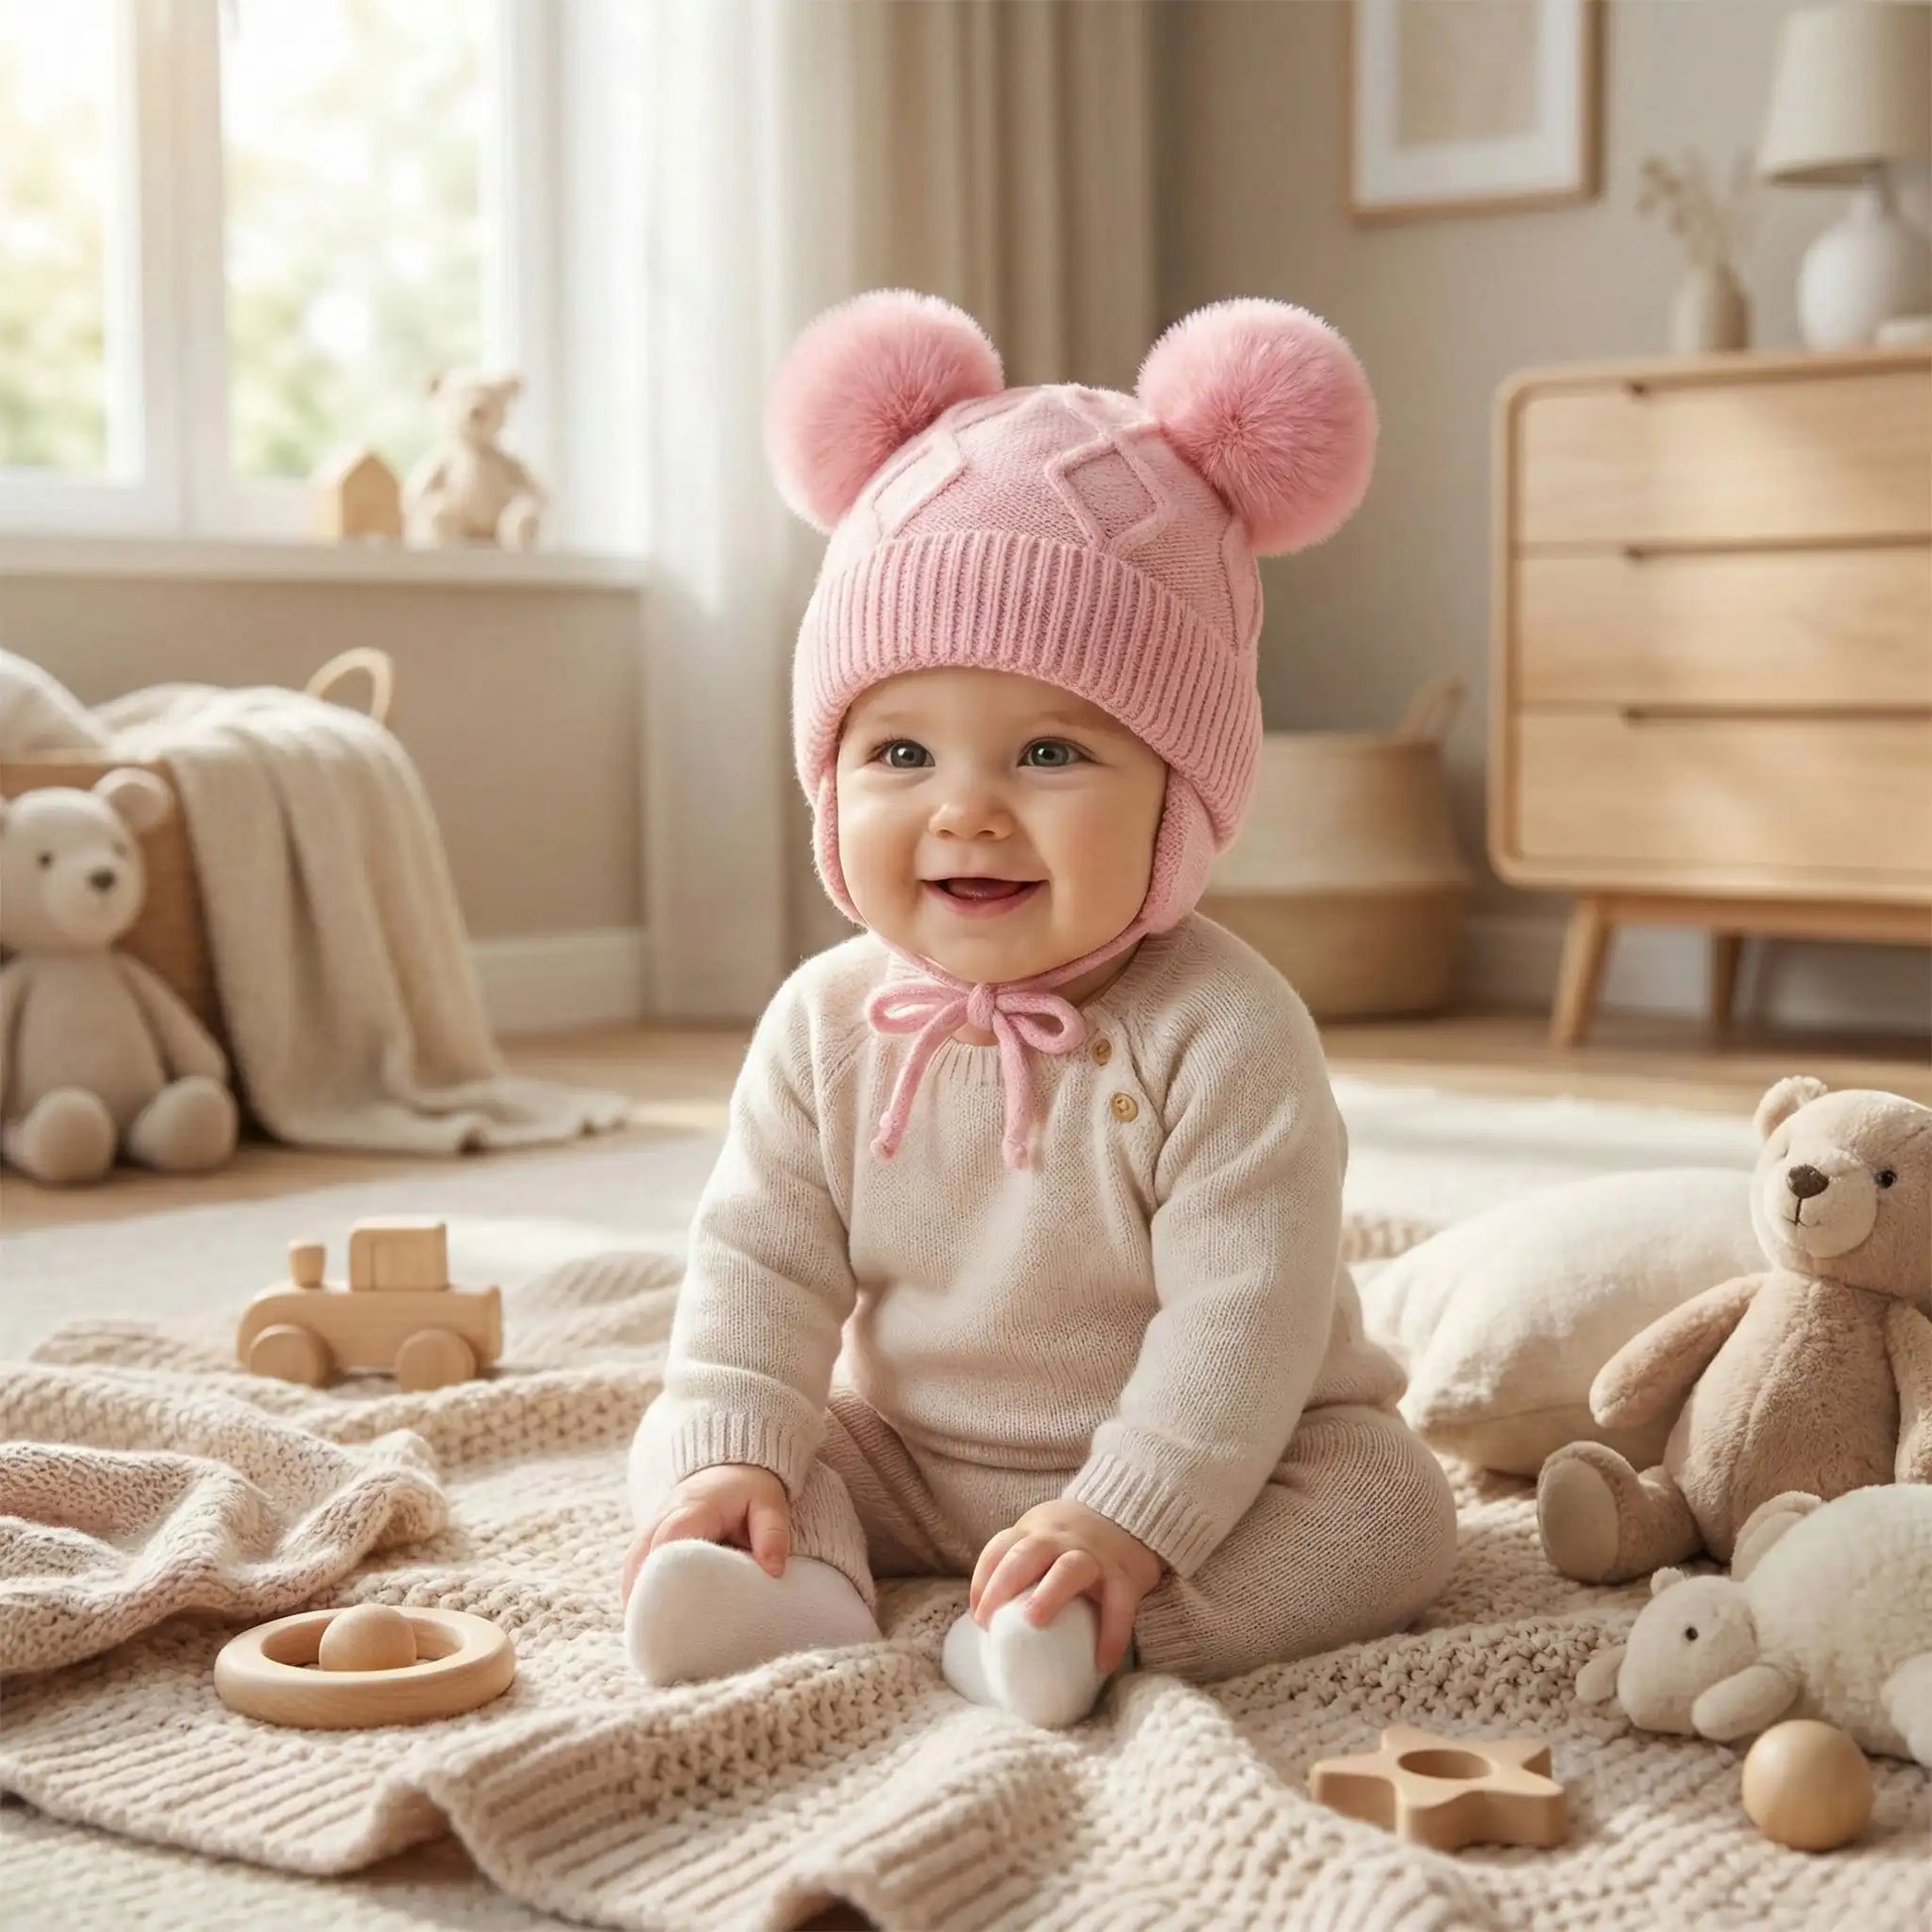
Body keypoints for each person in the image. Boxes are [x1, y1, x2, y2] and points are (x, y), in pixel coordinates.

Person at [621, 289, 1456, 1726]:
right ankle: (779, 1578)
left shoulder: (1227, 1031)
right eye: (897, 749)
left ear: (1181, 801)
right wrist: (738, 1451)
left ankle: (1095, 1623)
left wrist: (1129, 1513)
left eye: (1050, 749)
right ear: (830, 780)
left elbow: (1240, 1323)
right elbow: (759, 1264)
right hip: (915, 1451)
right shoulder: (823, 1023)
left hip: (1224, 1455)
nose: (966, 811)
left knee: (1392, 1507)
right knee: (701, 1425)